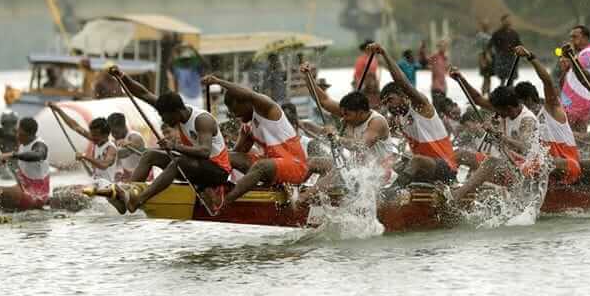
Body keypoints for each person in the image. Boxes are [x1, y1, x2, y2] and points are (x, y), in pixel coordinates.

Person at [107, 66, 233, 214]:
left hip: (218, 172)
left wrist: (174, 146)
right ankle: (128, 194)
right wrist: (122, 76)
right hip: (196, 167)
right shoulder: (171, 108)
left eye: (164, 116)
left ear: (176, 112)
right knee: (150, 155)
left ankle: (139, 200)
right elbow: (144, 93)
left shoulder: (202, 120)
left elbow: (204, 152)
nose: (163, 120)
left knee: (178, 161)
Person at [200, 75, 309, 212]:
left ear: (246, 103)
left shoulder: (268, 109)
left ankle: (225, 203)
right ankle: (214, 191)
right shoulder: (247, 128)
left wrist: (218, 82)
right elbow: (232, 157)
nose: (234, 115)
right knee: (226, 156)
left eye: (234, 110)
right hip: (273, 167)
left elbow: (250, 94)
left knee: (261, 165)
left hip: (296, 167)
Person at [366, 43, 458, 186]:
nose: (388, 105)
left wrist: (384, 54)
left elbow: (402, 82)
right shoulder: (398, 119)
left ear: (404, 96)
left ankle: (393, 193)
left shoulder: (421, 106)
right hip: (426, 169)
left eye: (391, 99)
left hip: (446, 167)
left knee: (416, 160)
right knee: (393, 162)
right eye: (385, 103)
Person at [302, 63, 392, 173]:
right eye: (342, 114)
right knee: (312, 162)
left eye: (347, 115)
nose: (343, 118)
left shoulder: (377, 122)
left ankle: (311, 191)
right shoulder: (350, 112)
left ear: (360, 112)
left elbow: (361, 146)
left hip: (380, 173)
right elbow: (323, 101)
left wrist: (336, 137)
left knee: (337, 171)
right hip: (358, 169)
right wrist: (307, 76)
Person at [514, 46, 581, 184]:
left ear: (528, 100)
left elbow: (547, 81)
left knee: (532, 164)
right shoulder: (526, 120)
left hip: (568, 166)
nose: (517, 109)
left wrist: (530, 57)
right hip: (548, 171)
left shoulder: (552, 108)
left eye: (518, 104)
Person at [0, 117, 51, 211]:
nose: (16, 135)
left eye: (19, 132)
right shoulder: (23, 140)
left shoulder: (40, 145)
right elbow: (3, 134)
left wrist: (12, 155)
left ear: (26, 134)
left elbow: (38, 155)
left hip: (36, 195)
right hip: (24, 189)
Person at [48, 103, 119, 184]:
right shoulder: (97, 139)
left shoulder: (111, 148)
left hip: (107, 186)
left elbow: (103, 165)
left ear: (105, 135)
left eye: (96, 135)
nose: (92, 137)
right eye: (92, 134)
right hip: (96, 183)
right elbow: (75, 126)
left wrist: (85, 156)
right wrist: (59, 110)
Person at [560, 25, 590, 130]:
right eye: (571, 37)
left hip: (579, 100)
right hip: (573, 99)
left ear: (585, 38)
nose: (571, 40)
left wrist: (570, 55)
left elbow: (579, 66)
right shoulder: (581, 53)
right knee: (574, 131)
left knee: (570, 131)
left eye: (575, 37)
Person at [109, 113, 145, 181]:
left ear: (123, 126)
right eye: (111, 133)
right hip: (130, 176)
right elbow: (117, 164)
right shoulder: (116, 141)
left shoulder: (134, 137)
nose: (114, 135)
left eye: (116, 132)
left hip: (143, 176)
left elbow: (124, 153)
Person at [488, 14, 522, 87]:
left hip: (512, 57)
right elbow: (490, 45)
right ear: (502, 21)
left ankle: (511, 92)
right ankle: (502, 93)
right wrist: (489, 56)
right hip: (501, 57)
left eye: (509, 20)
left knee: (511, 78)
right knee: (502, 78)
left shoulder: (514, 33)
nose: (508, 22)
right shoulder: (497, 33)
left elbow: (519, 45)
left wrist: (520, 52)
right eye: (506, 20)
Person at [352, 39, 381, 108]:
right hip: (362, 84)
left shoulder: (374, 59)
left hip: (373, 84)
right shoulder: (361, 59)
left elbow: (374, 73)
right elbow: (357, 74)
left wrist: (376, 83)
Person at [476, 19, 494, 94]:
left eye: (487, 25)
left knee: (489, 78)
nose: (486, 26)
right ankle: (483, 93)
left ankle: (488, 93)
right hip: (484, 57)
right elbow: (479, 49)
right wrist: (482, 60)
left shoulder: (490, 34)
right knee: (485, 78)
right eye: (485, 25)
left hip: (490, 57)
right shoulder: (480, 35)